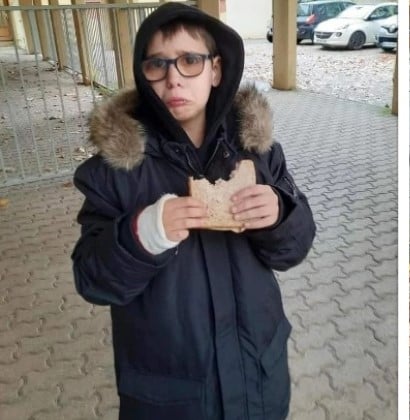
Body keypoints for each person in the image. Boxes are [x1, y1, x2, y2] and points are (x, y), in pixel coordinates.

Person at [71, 3, 315, 418]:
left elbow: (294, 248)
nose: (173, 79)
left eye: (190, 61)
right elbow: (93, 280)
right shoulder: (116, 172)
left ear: (215, 70)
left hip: (258, 373)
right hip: (170, 392)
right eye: (157, 65)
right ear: (143, 74)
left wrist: (279, 213)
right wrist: (143, 233)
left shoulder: (258, 152)